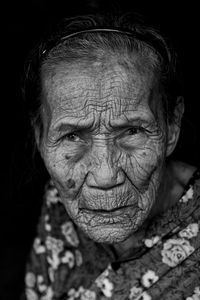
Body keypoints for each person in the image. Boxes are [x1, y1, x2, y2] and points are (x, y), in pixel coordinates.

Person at [21, 12, 200, 300]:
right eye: (72, 136)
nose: (105, 176)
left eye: (132, 131)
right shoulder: (58, 201)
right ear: (40, 136)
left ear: (172, 126)